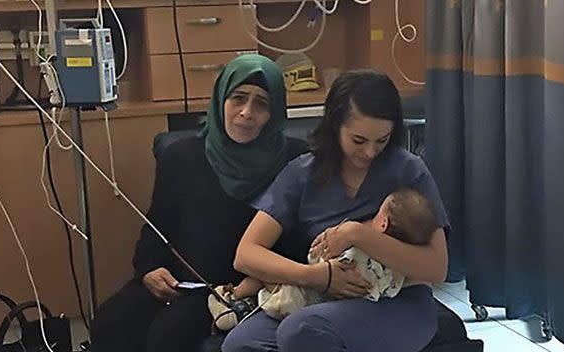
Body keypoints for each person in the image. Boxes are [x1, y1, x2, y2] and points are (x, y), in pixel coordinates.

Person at [89, 54, 308, 352]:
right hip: (178, 282)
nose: (246, 112)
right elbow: (156, 227)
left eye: (261, 104)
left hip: (241, 288)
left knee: (168, 336)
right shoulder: (180, 157)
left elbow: (298, 244)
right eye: (238, 98)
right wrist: (150, 269)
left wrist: (246, 286)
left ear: (275, 112)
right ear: (220, 100)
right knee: (111, 320)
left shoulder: (295, 162)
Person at [222, 69, 451, 352]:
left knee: (302, 330)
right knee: (241, 344)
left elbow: (437, 267)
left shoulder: (408, 171)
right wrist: (317, 276)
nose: (369, 152)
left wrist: (356, 234)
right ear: (334, 126)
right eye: (358, 140)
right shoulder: (302, 174)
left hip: (398, 302)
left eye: (381, 141)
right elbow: (246, 255)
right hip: (323, 297)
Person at [256, 188, 440, 320]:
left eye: (377, 212)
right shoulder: (396, 275)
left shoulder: (357, 252)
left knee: (264, 274)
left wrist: (329, 239)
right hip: (340, 309)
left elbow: (317, 259)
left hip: (303, 298)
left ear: (382, 223)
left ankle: (237, 297)